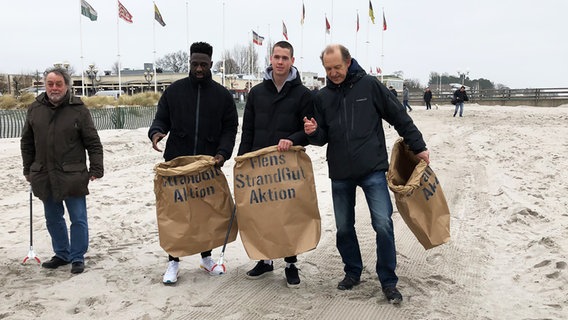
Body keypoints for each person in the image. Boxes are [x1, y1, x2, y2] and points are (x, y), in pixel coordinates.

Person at [303, 44, 430, 304]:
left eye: (337, 67)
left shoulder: (370, 86)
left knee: (383, 223)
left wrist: (419, 146)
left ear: (348, 62)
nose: (333, 73)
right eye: (328, 69)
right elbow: (322, 137)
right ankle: (352, 271)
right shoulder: (322, 97)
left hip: (372, 168)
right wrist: (313, 132)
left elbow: (398, 115)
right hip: (340, 172)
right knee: (343, 227)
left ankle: (388, 280)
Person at [148, 42, 238, 284]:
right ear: (189, 62)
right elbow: (161, 118)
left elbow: (230, 128)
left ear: (211, 64)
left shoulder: (222, 96)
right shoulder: (174, 91)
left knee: (205, 212)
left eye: (204, 64)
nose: (199, 68)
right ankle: (173, 262)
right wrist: (156, 132)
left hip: (207, 165)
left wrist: (222, 153)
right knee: (176, 213)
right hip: (177, 163)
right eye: (195, 64)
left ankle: (206, 258)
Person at [237, 40, 314, 288]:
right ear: (270, 59)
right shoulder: (257, 92)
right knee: (262, 213)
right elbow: (247, 128)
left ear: (292, 61)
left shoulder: (303, 94)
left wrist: (291, 140)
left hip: (287, 165)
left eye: (285, 58)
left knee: (287, 213)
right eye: (276, 57)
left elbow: (309, 131)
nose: (280, 62)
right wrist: (241, 159)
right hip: (259, 163)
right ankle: (265, 260)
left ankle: (291, 263)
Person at [20, 67, 104, 274]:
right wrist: (27, 169)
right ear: (45, 85)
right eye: (50, 84)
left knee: (78, 218)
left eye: (58, 84)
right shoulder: (35, 108)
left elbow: (93, 142)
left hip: (73, 175)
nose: (54, 88)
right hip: (43, 174)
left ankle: (77, 257)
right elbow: (27, 142)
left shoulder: (78, 109)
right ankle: (62, 254)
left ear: (66, 85)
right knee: (53, 218)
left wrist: (96, 168)